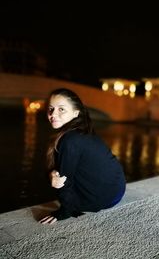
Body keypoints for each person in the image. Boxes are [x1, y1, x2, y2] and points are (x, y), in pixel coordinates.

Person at [39, 88, 126, 224]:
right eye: (51, 109)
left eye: (61, 109)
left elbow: (64, 180)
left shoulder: (70, 140)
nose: (53, 114)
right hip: (116, 190)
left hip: (103, 198)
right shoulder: (81, 131)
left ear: (76, 113)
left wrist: (64, 211)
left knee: (57, 181)